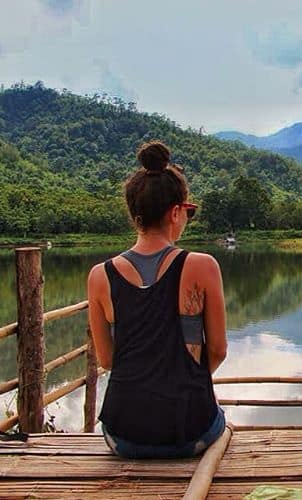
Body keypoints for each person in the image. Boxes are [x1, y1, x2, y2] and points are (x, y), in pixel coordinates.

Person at [87, 141, 228, 459]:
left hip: (123, 436)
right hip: (191, 432)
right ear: (176, 211)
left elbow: (107, 361)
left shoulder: (99, 275)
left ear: (134, 213)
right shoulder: (203, 266)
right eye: (186, 213)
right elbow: (217, 350)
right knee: (220, 421)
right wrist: (185, 383)